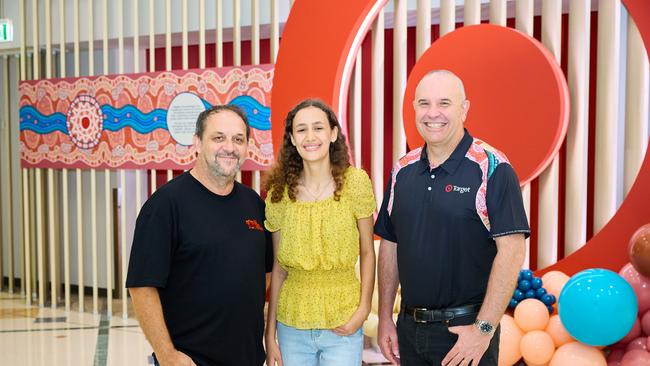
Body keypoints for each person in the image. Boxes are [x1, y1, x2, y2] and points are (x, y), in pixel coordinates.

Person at [375, 70, 529, 366]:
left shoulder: (493, 167)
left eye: (444, 103)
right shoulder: (402, 169)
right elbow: (390, 244)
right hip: (409, 330)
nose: (433, 113)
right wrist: (385, 318)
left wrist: (483, 331)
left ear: (464, 109)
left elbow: (512, 252)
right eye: (424, 103)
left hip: (465, 333)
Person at [126, 105, 272, 366]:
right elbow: (141, 287)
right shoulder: (165, 205)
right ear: (197, 143)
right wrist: (167, 355)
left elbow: (265, 272)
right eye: (218, 138)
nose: (229, 146)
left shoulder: (254, 204)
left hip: (248, 358)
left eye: (238, 139)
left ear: (247, 147)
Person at [264, 99, 376, 366]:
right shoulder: (278, 194)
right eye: (301, 130)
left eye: (318, 128)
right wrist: (270, 335)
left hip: (343, 320)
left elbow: (368, 252)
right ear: (292, 138)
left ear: (333, 134)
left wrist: (363, 310)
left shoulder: (355, 183)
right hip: (292, 325)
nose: (310, 137)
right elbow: (279, 268)